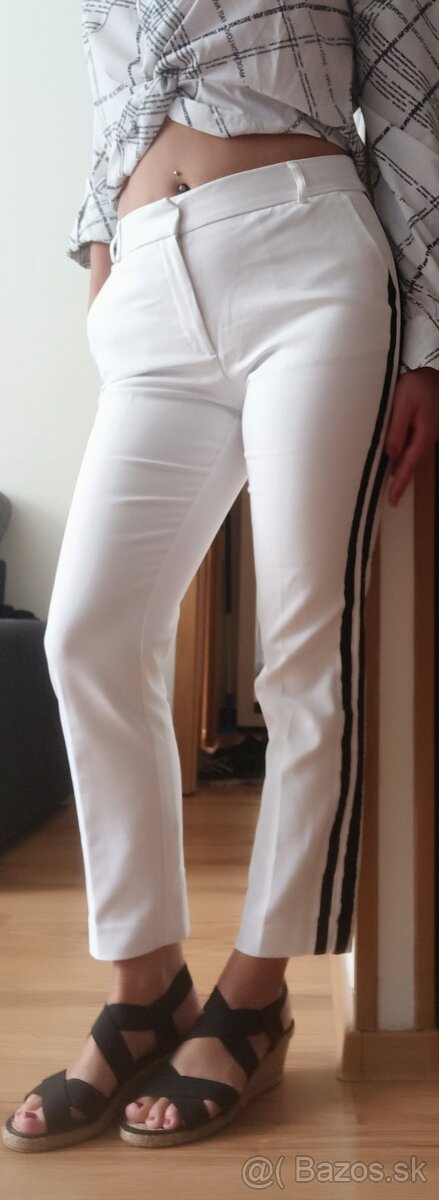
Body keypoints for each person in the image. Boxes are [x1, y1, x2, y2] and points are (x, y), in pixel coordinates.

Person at [3, 0, 439, 1154]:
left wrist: (429, 342)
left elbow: (411, 91)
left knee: (301, 653)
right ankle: (145, 984)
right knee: (88, 636)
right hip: (149, 284)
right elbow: (114, 96)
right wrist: (104, 252)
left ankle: (255, 994)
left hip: (308, 260)